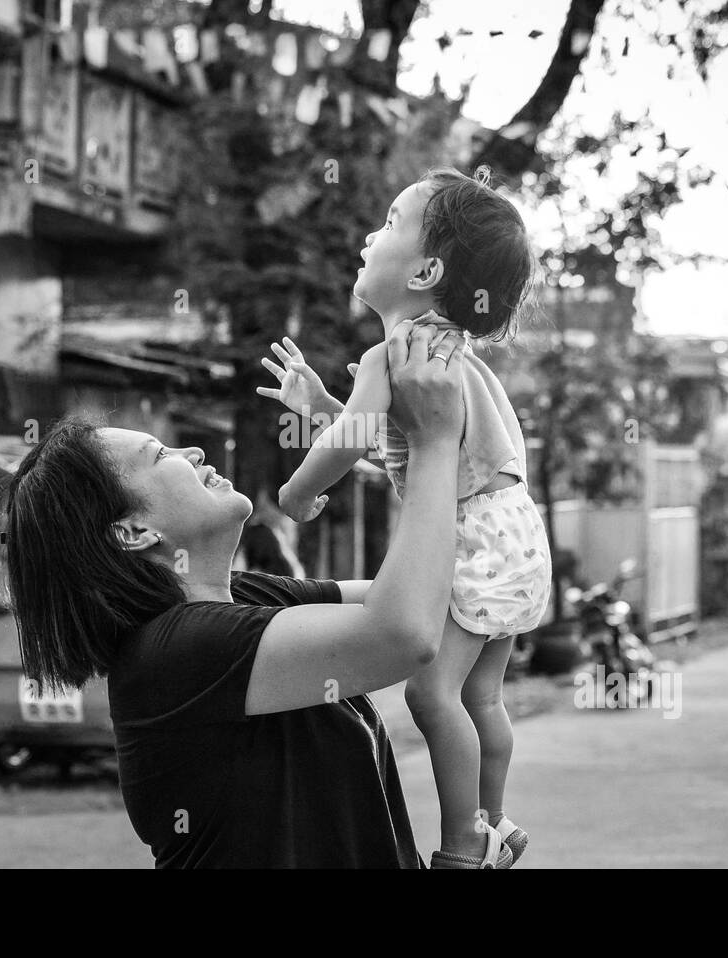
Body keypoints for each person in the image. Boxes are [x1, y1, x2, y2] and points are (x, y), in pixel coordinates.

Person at [1, 320, 472, 868]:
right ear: (133, 532)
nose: (194, 450)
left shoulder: (246, 599)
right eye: (160, 456)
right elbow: (405, 633)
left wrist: (354, 420)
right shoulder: (175, 653)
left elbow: (438, 592)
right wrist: (433, 440)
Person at [258, 167, 551, 868]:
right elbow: (401, 444)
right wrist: (324, 408)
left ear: (425, 269)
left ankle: (463, 844)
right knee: (480, 693)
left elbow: (359, 440)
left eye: (389, 222)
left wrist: (297, 493)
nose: (370, 234)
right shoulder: (460, 360)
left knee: (429, 689)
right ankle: (498, 818)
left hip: (472, 536)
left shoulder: (390, 353)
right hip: (515, 534)